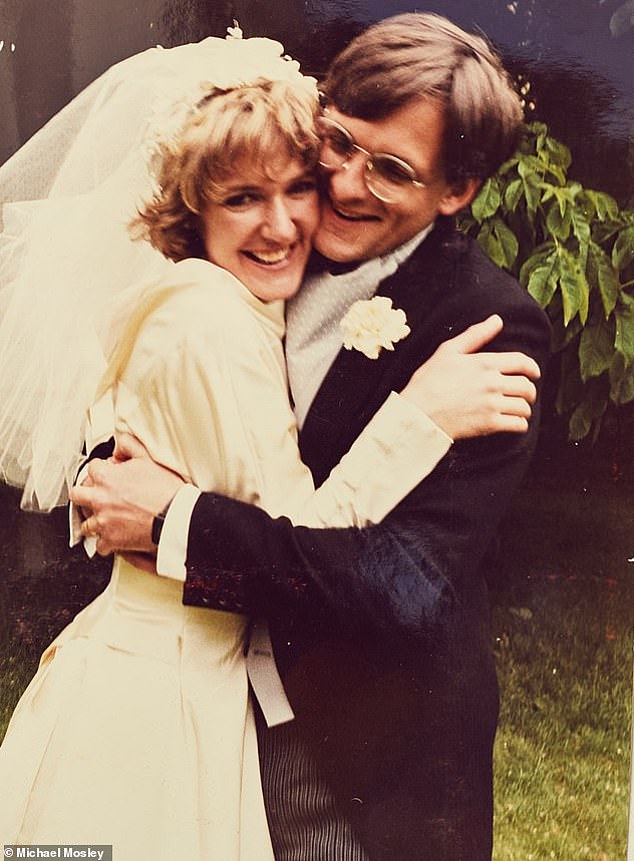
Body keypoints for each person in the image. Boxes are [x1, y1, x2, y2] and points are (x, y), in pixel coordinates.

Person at [0, 25, 540, 861]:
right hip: (196, 700)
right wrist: (106, 468)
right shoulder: (245, 259)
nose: (342, 187)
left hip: (357, 746)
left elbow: (408, 587)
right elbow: (147, 397)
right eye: (341, 146)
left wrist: (174, 522)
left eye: (392, 170)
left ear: (456, 190)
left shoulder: (484, 333)